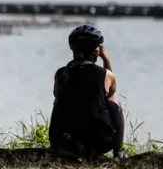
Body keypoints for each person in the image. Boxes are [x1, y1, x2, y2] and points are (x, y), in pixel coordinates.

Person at [49, 25, 125, 160]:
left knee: (58, 99)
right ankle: (118, 153)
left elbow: (57, 94)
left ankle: (59, 148)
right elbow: (109, 92)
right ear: (96, 50)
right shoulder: (105, 75)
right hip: (99, 141)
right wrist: (105, 59)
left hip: (66, 141)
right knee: (114, 100)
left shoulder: (61, 74)